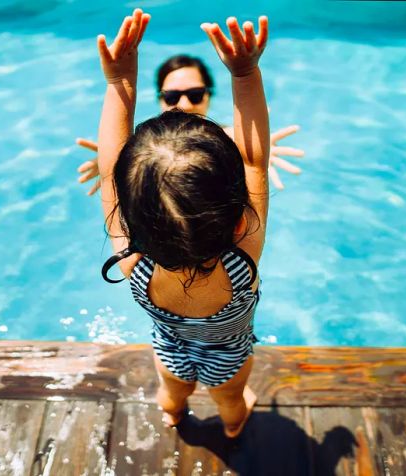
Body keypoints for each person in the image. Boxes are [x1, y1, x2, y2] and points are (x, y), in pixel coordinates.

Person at [94, 9, 270, 438]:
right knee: (232, 399)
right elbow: (254, 159)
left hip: (169, 345)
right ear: (235, 221)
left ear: (129, 217)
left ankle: (172, 415)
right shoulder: (241, 261)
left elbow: (108, 171)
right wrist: (245, 73)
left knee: (171, 390)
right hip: (227, 353)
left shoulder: (131, 263)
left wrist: (119, 81)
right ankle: (232, 427)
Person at [76, 55, 304, 195]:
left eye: (195, 94)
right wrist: (116, 164)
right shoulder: (141, 150)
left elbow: (247, 153)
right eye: (172, 96)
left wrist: (256, 153)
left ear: (209, 96)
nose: (184, 104)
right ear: (159, 98)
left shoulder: (231, 139)